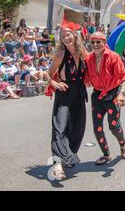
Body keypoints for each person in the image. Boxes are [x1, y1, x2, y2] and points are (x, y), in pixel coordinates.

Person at [46, 23, 88, 180]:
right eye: (63, 37)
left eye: (68, 35)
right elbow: (48, 74)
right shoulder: (61, 54)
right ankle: (57, 165)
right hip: (64, 93)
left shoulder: (83, 52)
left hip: (79, 94)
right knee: (59, 128)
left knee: (78, 128)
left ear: (75, 35)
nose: (66, 38)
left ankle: (68, 156)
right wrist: (54, 83)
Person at [85, 32, 125, 165]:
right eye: (93, 42)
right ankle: (106, 155)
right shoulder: (88, 59)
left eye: (98, 42)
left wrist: (122, 93)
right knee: (97, 128)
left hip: (113, 95)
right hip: (97, 96)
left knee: (113, 127)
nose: (95, 45)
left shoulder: (113, 57)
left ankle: (123, 145)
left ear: (104, 43)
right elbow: (84, 77)